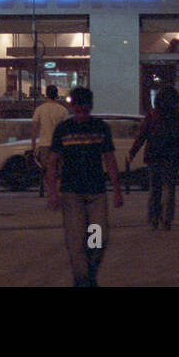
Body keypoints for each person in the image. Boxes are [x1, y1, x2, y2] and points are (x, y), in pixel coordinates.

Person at [46, 87, 123, 287]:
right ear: (72, 108)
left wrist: (117, 189)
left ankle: (89, 274)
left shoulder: (100, 128)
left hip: (96, 192)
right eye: (78, 111)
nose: (81, 116)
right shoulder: (63, 129)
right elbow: (52, 162)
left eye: (85, 111)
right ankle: (82, 280)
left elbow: (110, 159)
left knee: (98, 238)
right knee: (76, 239)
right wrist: (52, 192)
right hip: (72, 193)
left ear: (91, 108)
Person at [127, 84, 179, 230]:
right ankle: (167, 219)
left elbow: (142, 136)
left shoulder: (152, 115)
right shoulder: (176, 118)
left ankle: (154, 218)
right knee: (169, 189)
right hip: (171, 157)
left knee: (155, 189)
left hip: (153, 156)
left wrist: (132, 152)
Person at [31, 85, 70, 180]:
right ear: (56, 95)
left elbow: (35, 129)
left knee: (47, 171)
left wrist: (33, 145)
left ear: (46, 95)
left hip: (44, 144)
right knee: (59, 171)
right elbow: (67, 129)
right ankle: (58, 190)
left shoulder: (39, 109)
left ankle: (49, 192)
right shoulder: (63, 110)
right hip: (59, 145)